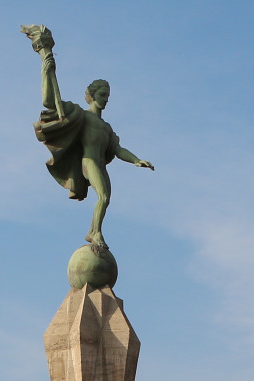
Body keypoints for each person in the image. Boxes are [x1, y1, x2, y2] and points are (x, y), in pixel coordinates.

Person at [23, 24, 155, 249]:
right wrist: (46, 69)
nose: (106, 99)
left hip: (100, 164)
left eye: (108, 96)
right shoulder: (81, 115)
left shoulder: (106, 127)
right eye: (103, 95)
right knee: (102, 197)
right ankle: (94, 232)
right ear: (92, 96)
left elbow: (118, 149)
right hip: (89, 161)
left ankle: (94, 230)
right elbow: (49, 101)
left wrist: (136, 160)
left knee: (106, 199)